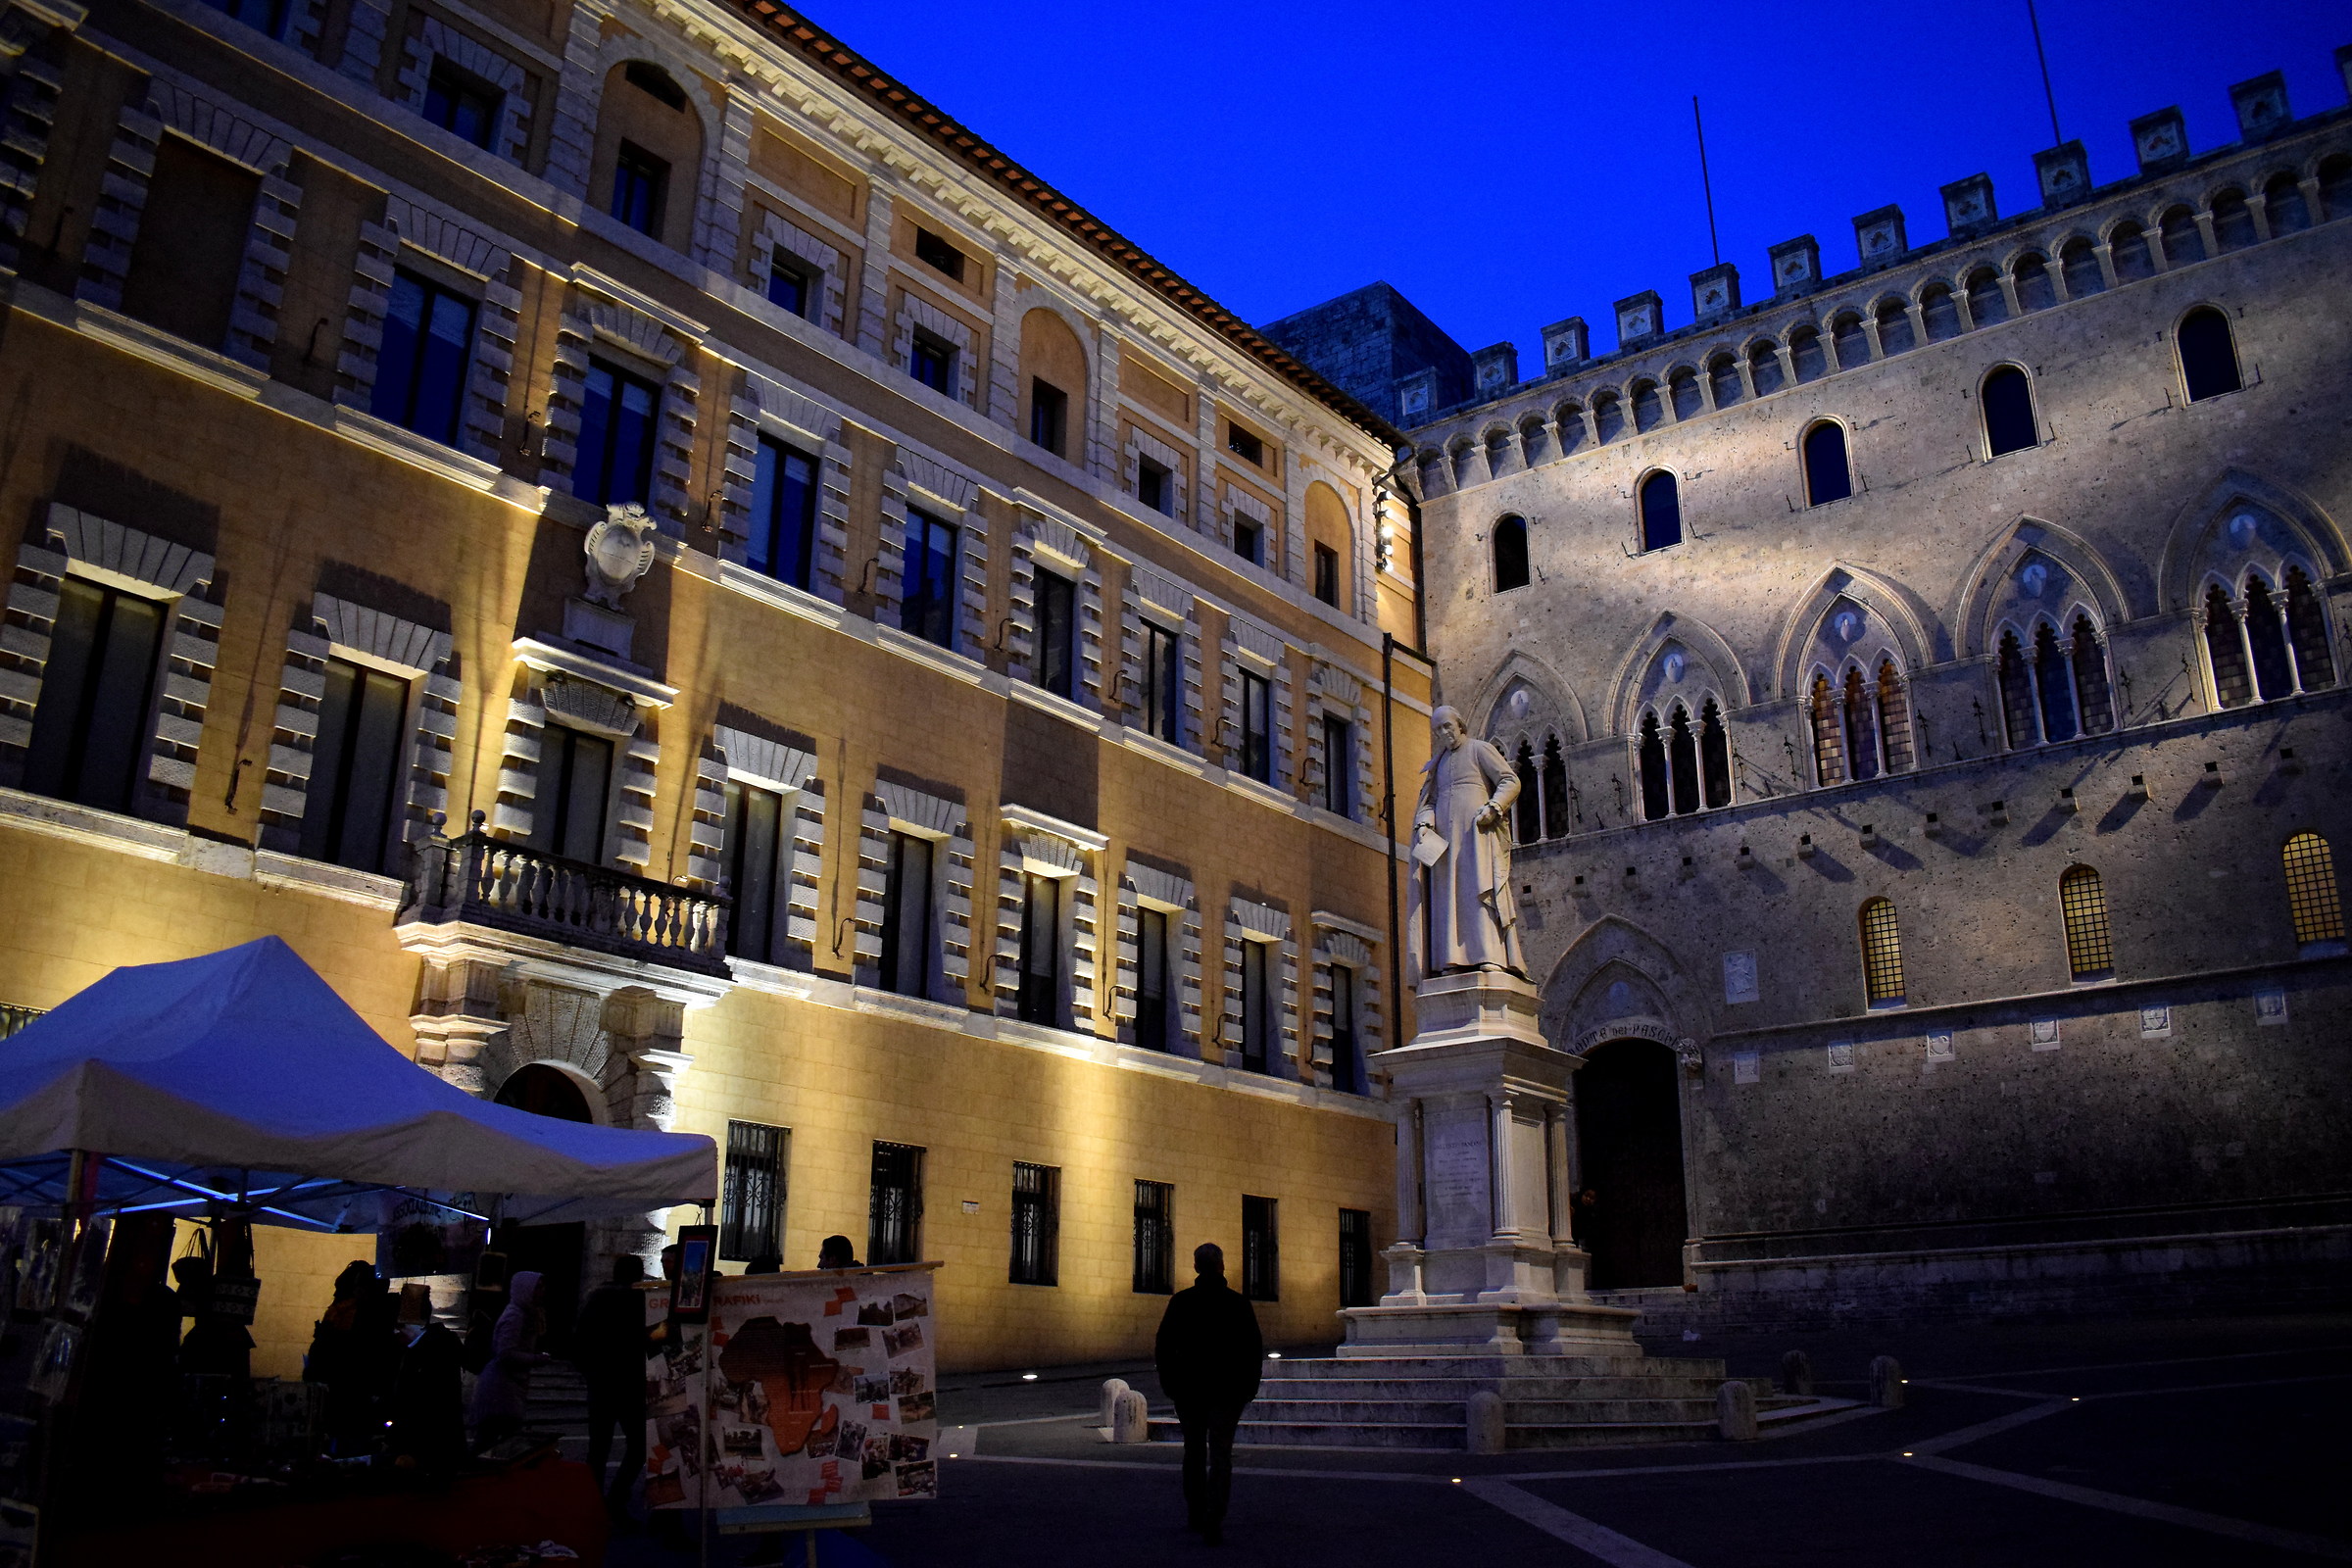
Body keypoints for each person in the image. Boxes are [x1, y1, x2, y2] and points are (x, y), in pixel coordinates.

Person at [1152, 1243, 1263, 1546]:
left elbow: (1164, 1346)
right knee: (1221, 1454)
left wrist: (1170, 1383)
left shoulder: (1182, 1302)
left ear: (1196, 1267)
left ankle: (1196, 1512)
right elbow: (1253, 1349)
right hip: (1227, 1391)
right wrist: (1248, 1387)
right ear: (1221, 1266)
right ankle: (1215, 1515)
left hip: (1189, 1390)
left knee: (1194, 1452)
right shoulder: (1237, 1303)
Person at [1407, 705, 1525, 979]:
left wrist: (1494, 806)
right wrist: (1424, 823)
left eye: (1447, 726)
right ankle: (1452, 958)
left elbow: (1510, 780)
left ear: (1460, 724)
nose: (1443, 732)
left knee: (1477, 892)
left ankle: (1489, 956)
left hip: (1476, 837)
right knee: (1448, 898)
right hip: (1445, 846)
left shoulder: (1479, 749)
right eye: (1438, 729)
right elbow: (1430, 801)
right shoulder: (1438, 764)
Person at [573, 1256, 651, 1507]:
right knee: (638, 1446)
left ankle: (592, 1502)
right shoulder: (640, 1299)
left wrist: (590, 1373)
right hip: (631, 1383)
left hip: (601, 1383)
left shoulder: (596, 1298)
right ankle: (616, 1498)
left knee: (598, 1448)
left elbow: (580, 1341)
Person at [469, 1269, 552, 1449]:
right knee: (496, 1441)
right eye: (538, 1287)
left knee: (492, 1442)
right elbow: (506, 1353)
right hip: (500, 1388)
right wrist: (537, 1359)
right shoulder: (516, 1315)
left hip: (507, 1386)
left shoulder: (526, 1314)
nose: (542, 1291)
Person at [387, 1283, 466, 1470]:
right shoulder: (435, 1344)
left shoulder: (429, 1351)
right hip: (432, 1443)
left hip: (428, 1446)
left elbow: (419, 1402)